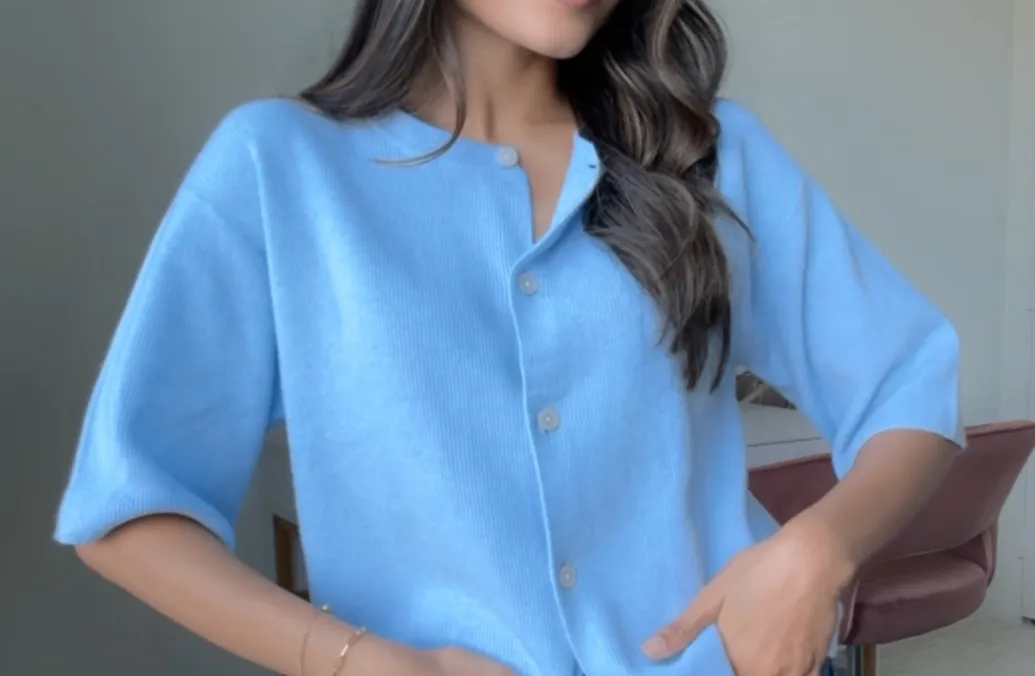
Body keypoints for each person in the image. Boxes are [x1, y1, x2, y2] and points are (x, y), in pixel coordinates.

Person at [54, 1, 963, 674]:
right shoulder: (279, 168)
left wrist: (816, 549)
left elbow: (908, 385)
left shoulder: (708, 156)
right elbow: (129, 510)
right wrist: (359, 661)